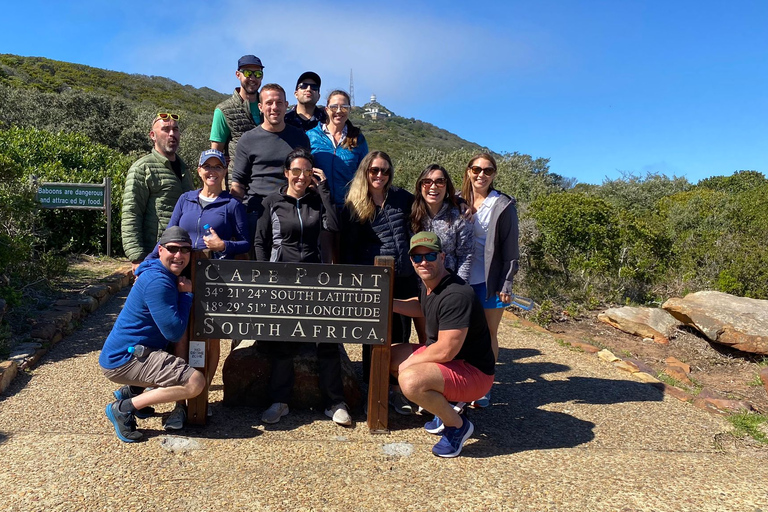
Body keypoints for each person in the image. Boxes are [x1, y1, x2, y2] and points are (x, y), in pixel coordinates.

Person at [147, 149, 250, 423]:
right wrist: (146, 263)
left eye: (218, 167)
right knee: (179, 334)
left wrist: (223, 245)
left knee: (210, 338)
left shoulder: (232, 204)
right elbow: (169, 234)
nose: (212, 172)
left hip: (215, 280)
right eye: (207, 167)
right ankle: (181, 399)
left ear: (225, 171)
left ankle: (200, 393)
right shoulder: (185, 199)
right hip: (180, 278)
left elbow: (246, 242)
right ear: (200, 170)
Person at [253, 148, 350, 426]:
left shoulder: (316, 201)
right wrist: (263, 275)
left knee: (327, 339)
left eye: (307, 172)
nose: (301, 177)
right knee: (284, 341)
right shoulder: (272, 202)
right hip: (281, 279)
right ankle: (279, 401)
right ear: (286, 173)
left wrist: (325, 190)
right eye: (296, 171)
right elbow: (260, 241)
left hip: (313, 279)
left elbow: (333, 225)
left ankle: (335, 402)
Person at [391, 231, 495, 458]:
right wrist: (390, 304)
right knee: (390, 356)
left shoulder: (456, 294)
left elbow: (446, 350)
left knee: (410, 380)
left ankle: (457, 426)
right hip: (455, 363)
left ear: (442, 257)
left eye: (430, 255)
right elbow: (422, 307)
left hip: (473, 372)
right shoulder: (430, 284)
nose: (423, 262)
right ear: (412, 261)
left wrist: (410, 363)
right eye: (417, 258)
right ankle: (446, 405)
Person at [100, 226, 206, 442]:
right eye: (172, 249)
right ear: (160, 250)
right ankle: (123, 407)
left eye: (185, 250)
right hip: (124, 360)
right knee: (195, 383)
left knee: (172, 359)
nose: (179, 255)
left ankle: (132, 392)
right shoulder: (158, 282)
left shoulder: (157, 273)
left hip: (132, 352)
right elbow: (175, 332)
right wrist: (186, 297)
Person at [340, 151, 417, 381]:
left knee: (401, 334)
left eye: (385, 170)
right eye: (374, 170)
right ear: (365, 171)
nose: (380, 175)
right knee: (374, 333)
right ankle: (374, 384)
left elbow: (425, 212)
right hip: (373, 280)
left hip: (404, 276)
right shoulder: (353, 205)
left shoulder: (402, 198)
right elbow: (348, 249)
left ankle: (395, 387)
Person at [460, 153, 519, 408]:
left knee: (488, 334)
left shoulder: (502, 204)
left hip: (489, 280)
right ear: (468, 171)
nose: (481, 175)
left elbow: (510, 247)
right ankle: (461, 383)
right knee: (460, 334)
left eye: (487, 170)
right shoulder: (456, 201)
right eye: (476, 169)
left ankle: (484, 385)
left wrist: (506, 284)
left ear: (494, 174)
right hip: (460, 279)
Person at [121, 113, 195, 274]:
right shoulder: (142, 168)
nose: (172, 134)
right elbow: (131, 213)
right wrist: (137, 257)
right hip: (154, 257)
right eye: (165, 129)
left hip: (182, 255)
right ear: (152, 135)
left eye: (175, 129)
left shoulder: (185, 170)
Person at [230, 84, 310, 222]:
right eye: (269, 103)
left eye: (279, 103)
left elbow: (307, 176)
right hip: (257, 211)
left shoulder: (300, 137)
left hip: (291, 211)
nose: (274, 107)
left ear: (286, 105)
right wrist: (234, 219)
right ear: (260, 107)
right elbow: (238, 183)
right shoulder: (248, 139)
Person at [410, 164, 473, 282]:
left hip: (448, 287)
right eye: (427, 182)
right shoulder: (411, 214)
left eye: (440, 181)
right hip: (415, 288)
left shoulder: (460, 217)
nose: (433, 187)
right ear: (420, 186)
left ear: (446, 186)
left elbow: (465, 256)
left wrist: (459, 289)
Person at [307, 90, 369, 209]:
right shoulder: (310, 136)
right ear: (326, 110)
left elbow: (364, 173)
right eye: (334, 107)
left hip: (349, 207)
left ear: (349, 110)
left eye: (344, 107)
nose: (339, 111)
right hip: (318, 206)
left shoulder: (358, 139)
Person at [210, 55, 264, 182]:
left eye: (257, 73)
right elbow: (215, 153)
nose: (252, 78)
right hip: (238, 185)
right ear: (238, 75)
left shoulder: (270, 107)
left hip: (267, 182)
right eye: (247, 73)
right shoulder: (223, 110)